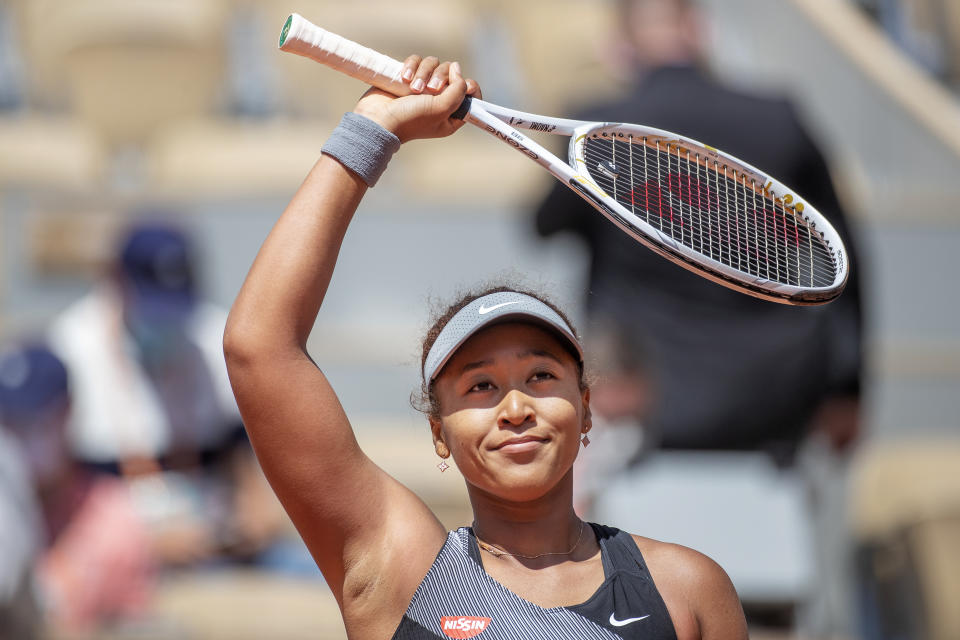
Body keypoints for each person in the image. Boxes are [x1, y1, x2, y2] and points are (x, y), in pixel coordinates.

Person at [223, 55, 748, 639]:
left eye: (541, 376)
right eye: (480, 386)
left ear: (587, 406)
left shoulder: (687, 589)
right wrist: (373, 125)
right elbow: (259, 347)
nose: (516, 408)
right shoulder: (404, 571)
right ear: (439, 432)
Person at [533, 0, 864, 466]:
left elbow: (543, 225)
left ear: (621, 47)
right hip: (773, 397)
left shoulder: (598, 125)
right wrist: (848, 391)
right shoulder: (779, 118)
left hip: (638, 400)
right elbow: (844, 260)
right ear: (700, 31)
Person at [47, 223, 284, 566]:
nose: (166, 323)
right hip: (110, 556)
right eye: (153, 302)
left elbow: (242, 453)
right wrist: (142, 542)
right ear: (117, 283)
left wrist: (255, 510)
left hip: (211, 546)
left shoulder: (215, 337)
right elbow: (53, 489)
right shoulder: (71, 349)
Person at [0, 341, 154, 634]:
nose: (17, 436)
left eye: (33, 421)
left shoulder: (116, 520)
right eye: (7, 421)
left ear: (67, 412)